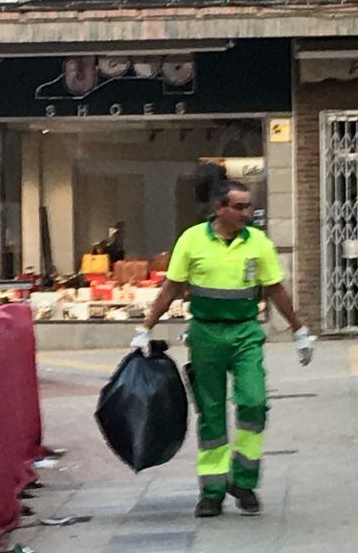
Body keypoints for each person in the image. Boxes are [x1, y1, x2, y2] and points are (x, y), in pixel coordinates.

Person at [132, 166, 315, 519]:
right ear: (219, 208)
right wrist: (146, 327)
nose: (247, 214)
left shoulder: (258, 243)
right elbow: (171, 287)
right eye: (240, 207)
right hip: (205, 334)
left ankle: (244, 481)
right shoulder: (191, 240)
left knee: (254, 402)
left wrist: (298, 330)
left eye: (249, 207)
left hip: (245, 332)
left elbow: (275, 288)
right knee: (211, 413)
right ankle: (212, 491)